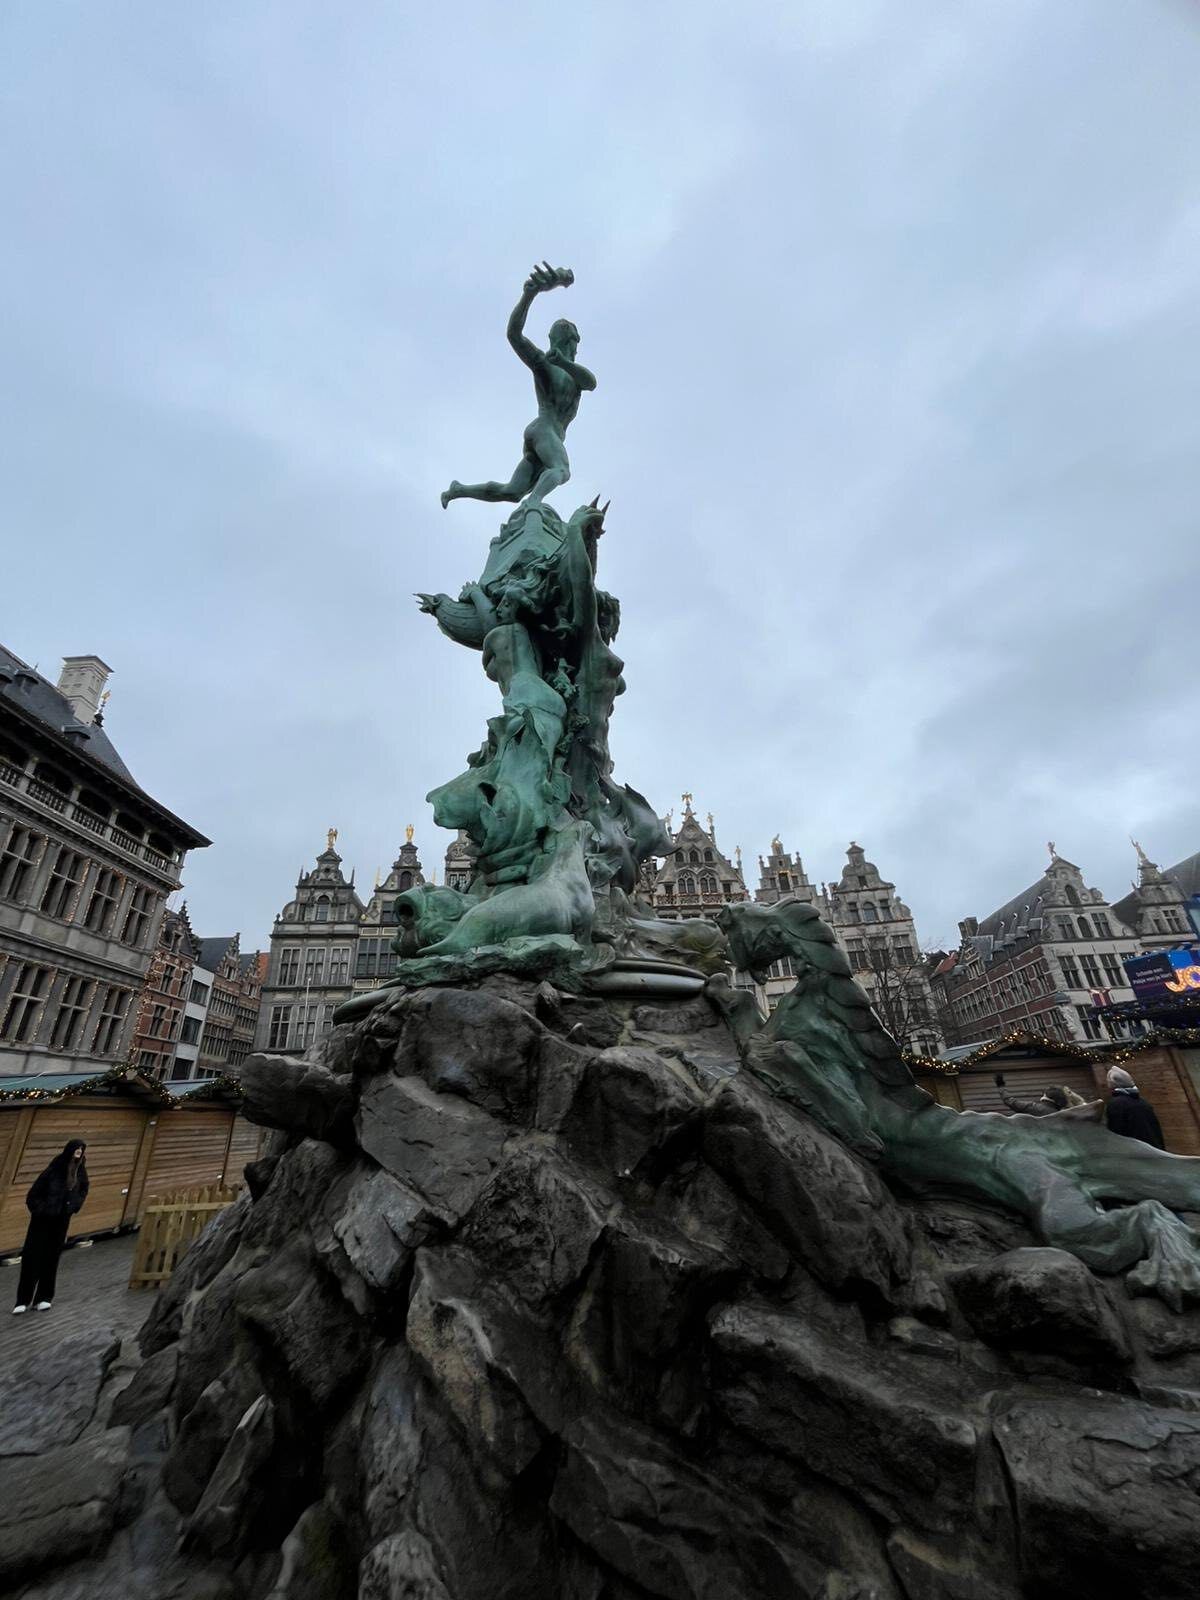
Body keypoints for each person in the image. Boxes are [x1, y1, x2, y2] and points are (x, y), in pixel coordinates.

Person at [441, 263, 596, 510]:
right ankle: (533, 504)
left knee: (512, 492)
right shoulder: (546, 365)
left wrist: (564, 362)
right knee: (561, 470)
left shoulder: (571, 372)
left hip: (545, 435)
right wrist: (529, 295)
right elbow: (514, 335)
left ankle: (458, 490)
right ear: (572, 341)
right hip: (544, 429)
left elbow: (591, 383)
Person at [12, 1138, 89, 1313]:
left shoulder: (80, 1171)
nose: (79, 1151)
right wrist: (41, 1210)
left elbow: (83, 1190)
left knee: (52, 1259)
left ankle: (44, 1298)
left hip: (61, 1221)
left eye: (82, 1149)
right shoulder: (54, 1169)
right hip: (42, 1221)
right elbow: (33, 1194)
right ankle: (22, 1300)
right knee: (32, 1258)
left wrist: (73, 1206)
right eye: (77, 1148)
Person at [1105, 1066, 1166, 1149]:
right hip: (1154, 1148)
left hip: (1136, 1151)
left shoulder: (1116, 1104)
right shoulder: (1142, 1102)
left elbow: (1117, 1132)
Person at [993, 1074, 1086, 1116]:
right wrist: (1071, 1096)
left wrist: (1001, 1086)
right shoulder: (1065, 1114)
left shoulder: (1035, 1108)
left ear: (1047, 1096)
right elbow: (1082, 1105)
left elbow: (1010, 1101)